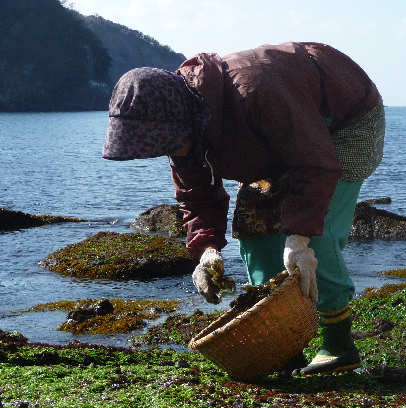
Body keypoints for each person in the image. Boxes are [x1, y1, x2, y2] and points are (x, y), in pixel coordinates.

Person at [102, 42, 385, 376]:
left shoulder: (258, 92)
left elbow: (316, 165)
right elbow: (197, 195)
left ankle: (338, 343)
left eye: (173, 142)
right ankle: (282, 343)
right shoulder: (177, 126)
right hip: (269, 142)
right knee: (253, 227)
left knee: (314, 237)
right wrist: (207, 249)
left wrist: (299, 239)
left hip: (345, 122)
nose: (173, 151)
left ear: (188, 118)